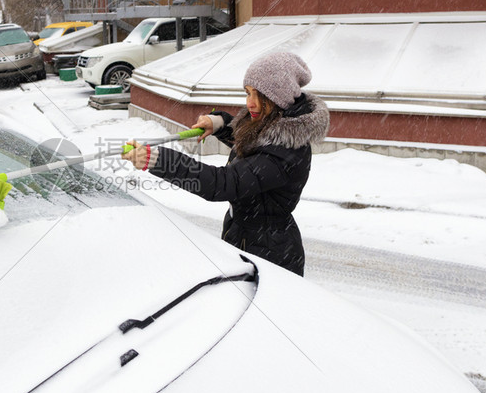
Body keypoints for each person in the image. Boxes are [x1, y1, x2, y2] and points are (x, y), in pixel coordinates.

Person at [121, 51, 330, 276]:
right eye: (248, 93)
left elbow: (223, 183)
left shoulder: (286, 152)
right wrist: (220, 123)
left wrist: (159, 160)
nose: (250, 103)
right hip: (245, 237)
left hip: (270, 255)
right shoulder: (273, 123)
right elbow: (253, 142)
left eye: (259, 96)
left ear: (278, 97)